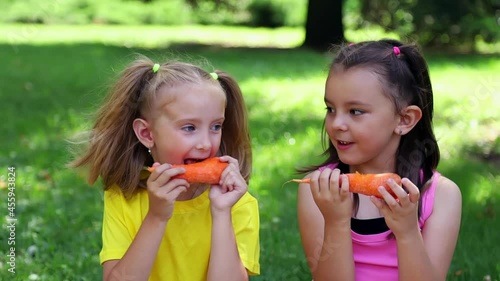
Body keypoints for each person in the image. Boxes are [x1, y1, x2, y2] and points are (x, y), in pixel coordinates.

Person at [69, 55, 260, 281]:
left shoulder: (237, 203)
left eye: (216, 126)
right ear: (147, 134)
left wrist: (221, 212)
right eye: (189, 128)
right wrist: (157, 216)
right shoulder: (124, 200)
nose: (206, 144)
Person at [296, 39, 462, 281]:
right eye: (330, 109)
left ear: (404, 120)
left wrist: (407, 232)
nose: (337, 124)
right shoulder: (318, 189)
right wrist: (336, 222)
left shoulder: (439, 196)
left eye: (355, 111)